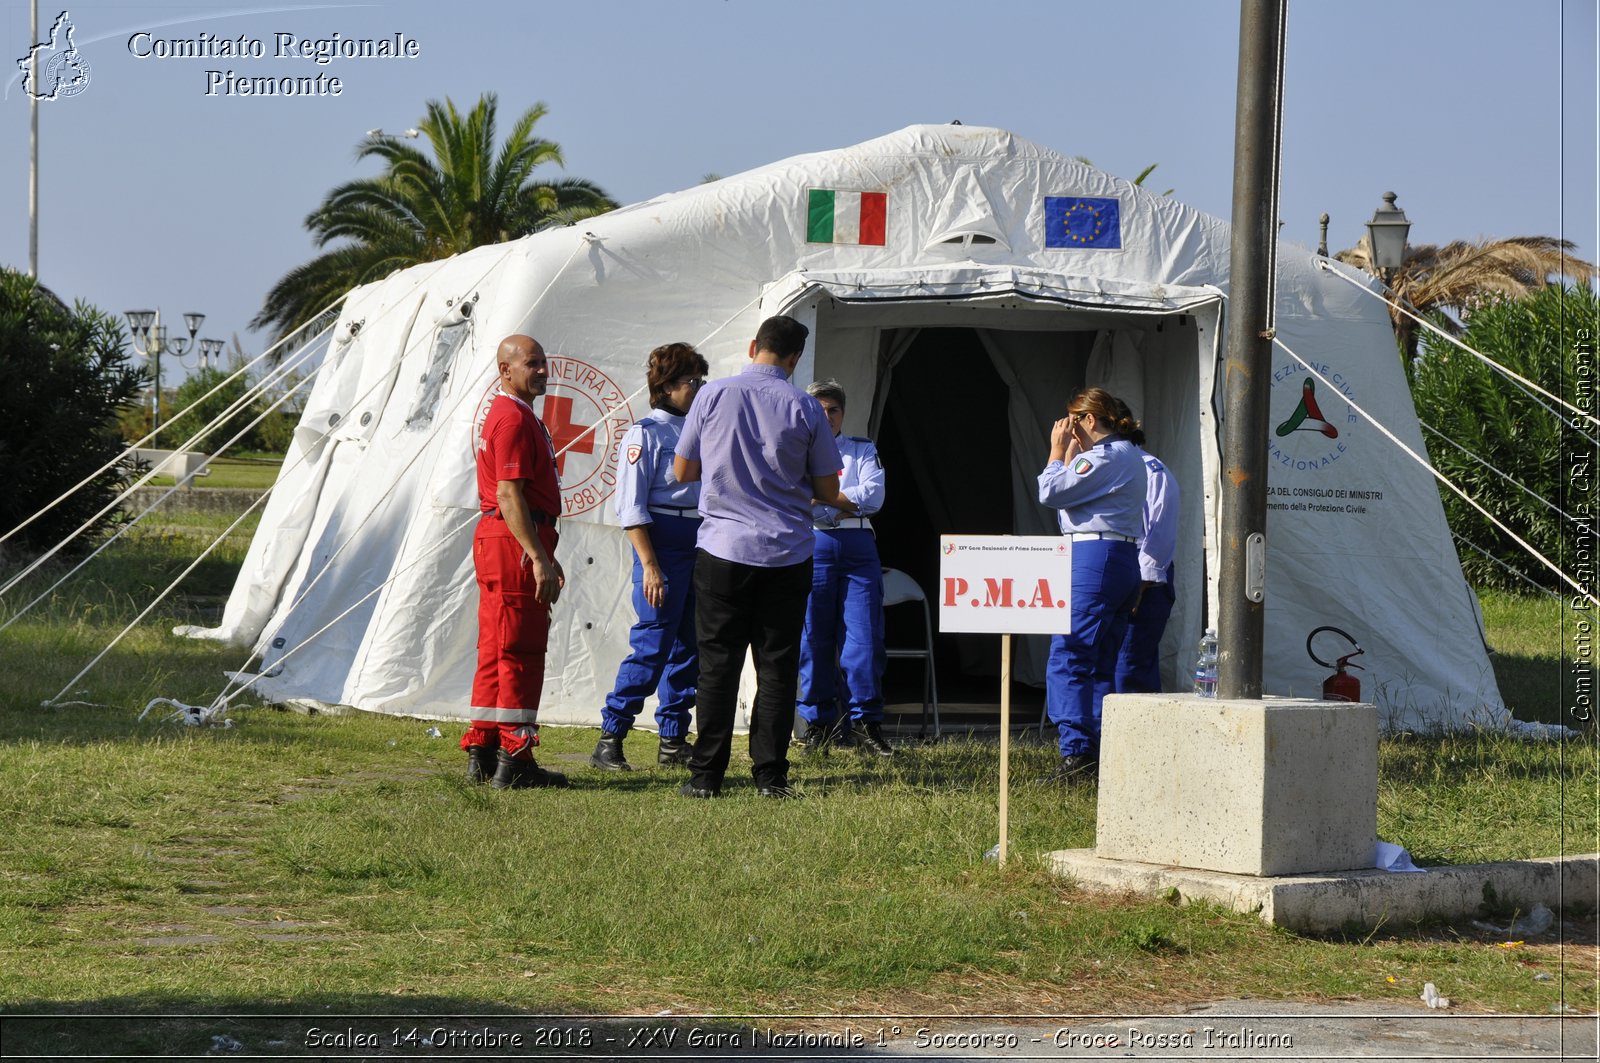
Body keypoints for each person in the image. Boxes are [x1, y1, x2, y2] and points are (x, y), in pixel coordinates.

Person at [672, 315, 859, 798]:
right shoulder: (806, 406)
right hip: (786, 551)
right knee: (777, 667)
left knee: (717, 665)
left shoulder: (711, 395)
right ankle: (770, 777)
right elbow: (828, 487)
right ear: (795, 358)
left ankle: (706, 777)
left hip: (722, 548)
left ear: (755, 345)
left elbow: (682, 469)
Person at [591, 343, 710, 771]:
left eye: (701, 380)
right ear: (668, 385)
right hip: (662, 544)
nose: (698, 388)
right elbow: (631, 507)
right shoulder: (645, 433)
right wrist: (650, 565)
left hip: (701, 543)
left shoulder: (701, 428)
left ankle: (674, 740)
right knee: (652, 645)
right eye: (692, 381)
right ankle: (611, 737)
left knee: (689, 649)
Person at [461, 334, 570, 790]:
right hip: (512, 541)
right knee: (520, 650)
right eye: (532, 363)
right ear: (505, 370)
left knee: (495, 649)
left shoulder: (515, 414)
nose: (543, 370)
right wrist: (537, 557)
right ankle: (516, 757)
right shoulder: (511, 418)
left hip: (506, 539)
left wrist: (543, 551)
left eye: (544, 362)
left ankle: (485, 750)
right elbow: (509, 493)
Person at [1037, 387, 1147, 783]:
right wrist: (1073, 458)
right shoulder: (1128, 456)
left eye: (1073, 421)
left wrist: (1055, 451)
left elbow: (1050, 493)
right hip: (1120, 557)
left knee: (1069, 652)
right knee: (1101, 661)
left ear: (1087, 419)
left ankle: (1076, 753)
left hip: (1094, 560)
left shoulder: (1106, 456)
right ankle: (1097, 751)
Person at [796, 379, 892, 757]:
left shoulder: (861, 449)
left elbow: (875, 496)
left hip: (857, 545)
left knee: (865, 639)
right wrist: (843, 502)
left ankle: (865, 722)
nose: (827, 416)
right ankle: (816, 725)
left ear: (843, 413)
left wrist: (824, 500)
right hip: (813, 544)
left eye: (833, 409)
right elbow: (794, 498)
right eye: (818, 410)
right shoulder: (795, 452)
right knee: (813, 637)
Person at [1112, 398, 1180, 694]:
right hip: (1109, 570)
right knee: (1107, 663)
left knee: (1129, 667)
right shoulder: (1098, 469)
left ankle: (1135, 739)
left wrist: (1141, 584)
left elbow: (1160, 532)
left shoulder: (1151, 470)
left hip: (1143, 579)